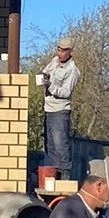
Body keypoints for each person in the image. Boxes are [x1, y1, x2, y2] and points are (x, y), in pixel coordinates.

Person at [39, 36, 81, 179]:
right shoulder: (54, 61)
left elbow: (66, 92)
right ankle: (53, 175)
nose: (60, 53)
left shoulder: (72, 70)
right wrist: (44, 77)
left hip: (60, 111)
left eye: (63, 51)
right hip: (48, 109)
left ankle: (64, 176)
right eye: (58, 49)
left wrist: (50, 86)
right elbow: (45, 72)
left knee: (60, 144)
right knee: (49, 145)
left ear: (70, 52)